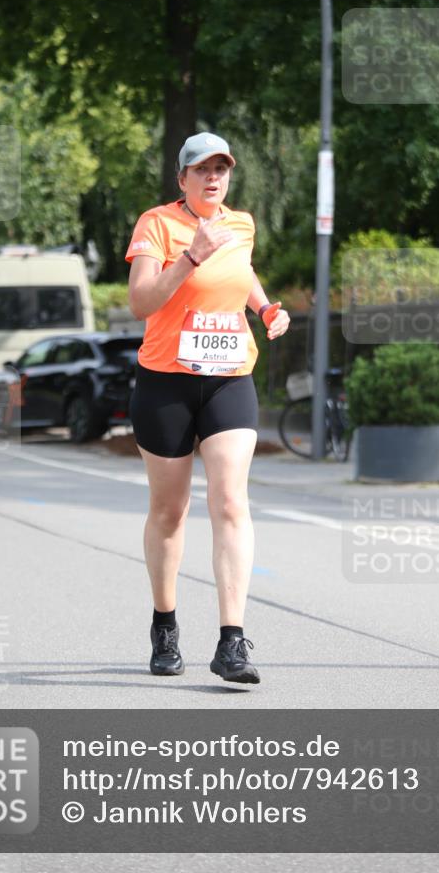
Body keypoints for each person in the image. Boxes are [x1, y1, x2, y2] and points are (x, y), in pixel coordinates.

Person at [125, 132, 290, 684]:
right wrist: (189, 256)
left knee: (229, 500)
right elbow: (141, 301)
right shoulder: (157, 224)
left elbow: (240, 275)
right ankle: (165, 624)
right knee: (170, 512)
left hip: (228, 379)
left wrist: (266, 309)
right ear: (183, 179)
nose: (213, 177)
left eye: (221, 168)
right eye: (202, 169)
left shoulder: (241, 224)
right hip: (165, 383)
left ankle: (232, 641)